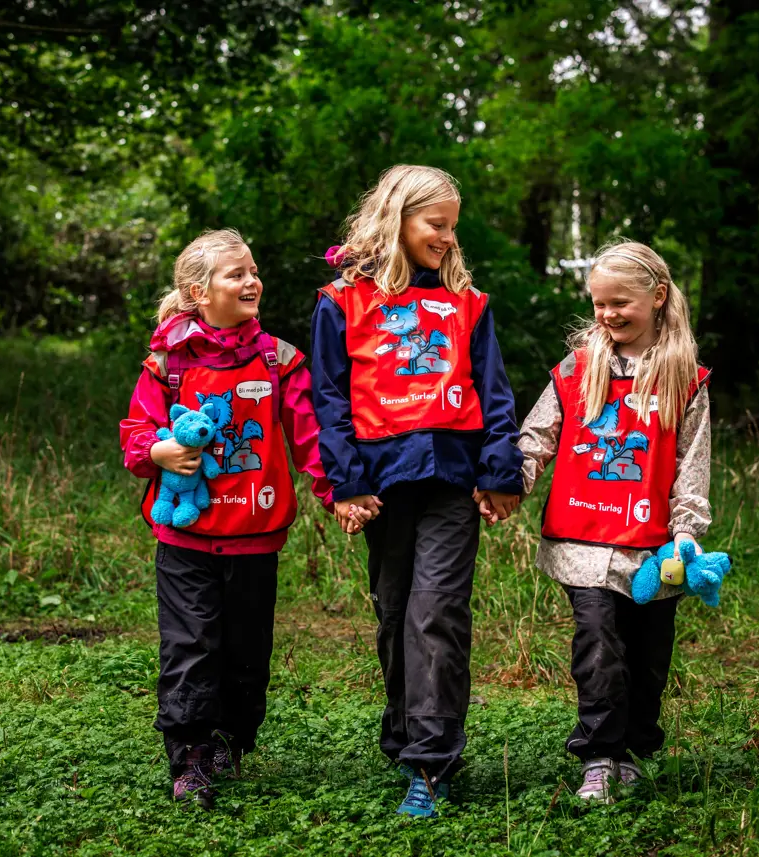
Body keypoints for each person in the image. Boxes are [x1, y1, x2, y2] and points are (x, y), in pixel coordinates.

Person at [310, 165, 523, 818]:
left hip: (451, 483)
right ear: (398, 218)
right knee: (396, 610)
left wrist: (499, 471)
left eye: (453, 227)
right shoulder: (341, 301)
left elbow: (493, 391)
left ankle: (431, 762)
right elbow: (329, 396)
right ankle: (406, 730)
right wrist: (346, 483)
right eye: (438, 225)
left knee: (436, 613)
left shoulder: (468, 305)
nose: (449, 238)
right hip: (382, 486)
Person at [119, 228, 332, 809]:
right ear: (197, 291)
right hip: (186, 537)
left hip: (255, 539)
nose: (251, 281)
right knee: (190, 646)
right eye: (235, 273)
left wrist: (337, 491)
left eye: (253, 271)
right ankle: (188, 754)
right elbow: (138, 433)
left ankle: (230, 743)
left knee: (245, 652)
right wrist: (157, 452)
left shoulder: (279, 359)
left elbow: (309, 435)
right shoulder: (166, 364)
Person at [517, 240, 712, 804]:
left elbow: (691, 465)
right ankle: (599, 756)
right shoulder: (576, 370)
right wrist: (511, 481)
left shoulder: (687, 380)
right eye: (598, 304)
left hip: (655, 549)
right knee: (599, 644)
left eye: (620, 302)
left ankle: (634, 744)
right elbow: (537, 437)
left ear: (656, 298)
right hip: (585, 542)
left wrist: (686, 533)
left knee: (648, 657)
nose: (607, 315)